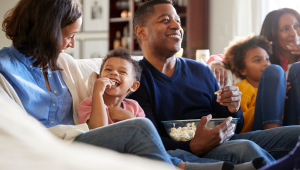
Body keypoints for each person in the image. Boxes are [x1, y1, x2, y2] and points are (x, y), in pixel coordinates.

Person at [0, 0, 173, 166]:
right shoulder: (4, 70)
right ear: (47, 32)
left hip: (80, 139)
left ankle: (179, 165)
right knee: (138, 128)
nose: (73, 44)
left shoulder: (65, 64)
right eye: (70, 36)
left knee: (141, 131)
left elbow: (96, 117)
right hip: (44, 147)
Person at [129, 0, 300, 166]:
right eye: (166, 20)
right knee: (244, 148)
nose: (176, 26)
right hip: (186, 151)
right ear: (141, 32)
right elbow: (148, 139)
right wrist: (192, 146)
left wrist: (233, 108)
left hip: (226, 139)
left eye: (178, 20)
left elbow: (236, 126)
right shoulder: (134, 79)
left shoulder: (200, 70)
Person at [78, 48, 266, 170]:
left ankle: (222, 167)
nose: (113, 74)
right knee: (172, 155)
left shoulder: (133, 106)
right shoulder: (90, 103)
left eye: (122, 72)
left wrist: (128, 116)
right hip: (115, 151)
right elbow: (97, 129)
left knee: (169, 154)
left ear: (133, 86)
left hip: (147, 151)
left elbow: (151, 137)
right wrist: (97, 93)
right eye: (108, 70)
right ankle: (217, 167)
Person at [208, 8, 300, 127]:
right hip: (269, 126)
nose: (294, 33)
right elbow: (230, 57)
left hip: (290, 121)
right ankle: (272, 134)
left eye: (297, 25)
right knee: (274, 71)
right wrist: (216, 63)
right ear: (273, 34)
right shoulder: (269, 64)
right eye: (285, 28)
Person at [223, 35, 298, 132]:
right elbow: (241, 125)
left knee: (297, 68)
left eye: (267, 59)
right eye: (257, 60)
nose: (266, 63)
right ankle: (272, 135)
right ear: (242, 69)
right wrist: (271, 99)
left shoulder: (281, 86)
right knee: (274, 70)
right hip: (260, 132)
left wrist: (278, 97)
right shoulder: (243, 89)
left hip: (287, 128)